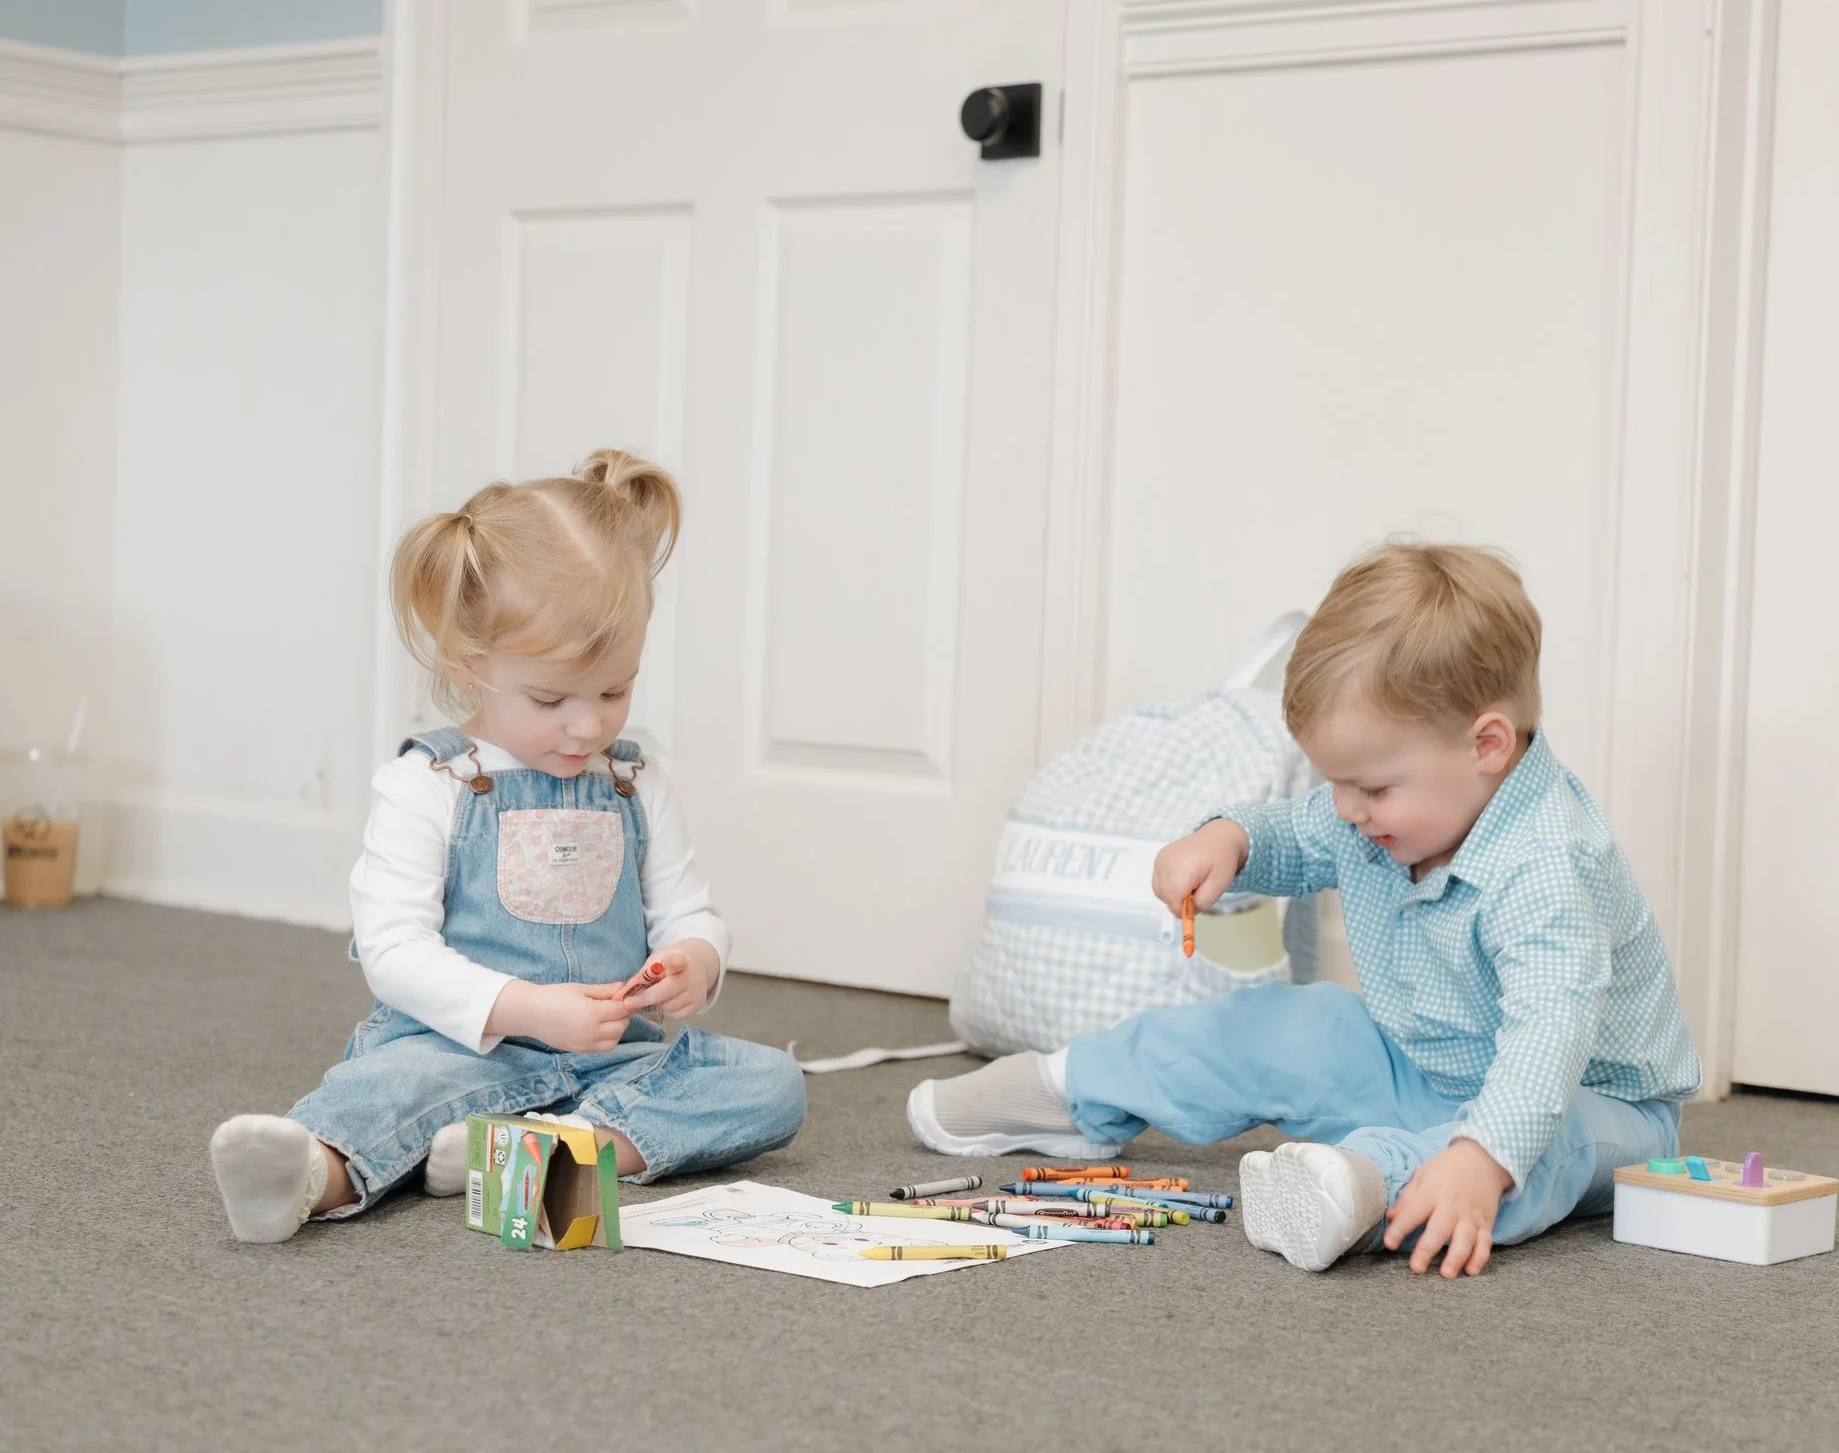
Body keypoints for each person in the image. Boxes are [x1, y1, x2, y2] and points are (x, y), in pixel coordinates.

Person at [908, 541, 1700, 1276]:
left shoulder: (1548, 865)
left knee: (1535, 1148)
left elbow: (1548, 1037)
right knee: (1292, 1022)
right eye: (1334, 782)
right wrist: (1230, 839)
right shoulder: (1372, 812)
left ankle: (1364, 1186)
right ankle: (1081, 1087)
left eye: (1372, 786)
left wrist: (1481, 1154)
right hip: (1421, 1069)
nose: (1347, 808)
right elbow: (1295, 833)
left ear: (1486, 745)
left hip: (1597, 1111)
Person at [208, 451, 804, 1243]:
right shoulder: (428, 784)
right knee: (388, 1091)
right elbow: (392, 951)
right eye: (550, 698)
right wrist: (528, 1009)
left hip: (609, 1065)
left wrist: (696, 956)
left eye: (614, 690)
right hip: (457, 1052)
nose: (588, 724)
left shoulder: (634, 782)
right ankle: (310, 1175)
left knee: (772, 1084)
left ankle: (551, 1147)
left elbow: (688, 908)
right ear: (469, 668)